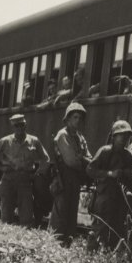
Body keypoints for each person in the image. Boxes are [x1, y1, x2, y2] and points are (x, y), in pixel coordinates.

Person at [0, 113, 51, 226]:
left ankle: (24, 240)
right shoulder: (6, 141)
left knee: (26, 218)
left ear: (25, 125)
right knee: (6, 218)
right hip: (8, 180)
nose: (19, 128)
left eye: (21, 125)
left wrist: (38, 173)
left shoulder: (34, 141)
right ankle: (5, 240)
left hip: (25, 181)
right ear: (13, 127)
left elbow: (46, 159)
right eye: (16, 126)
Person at [87, 120, 132, 252]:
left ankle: (108, 255)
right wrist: (109, 173)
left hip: (119, 197)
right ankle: (92, 255)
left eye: (126, 136)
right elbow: (90, 170)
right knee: (100, 228)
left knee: (116, 228)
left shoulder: (128, 156)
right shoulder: (105, 152)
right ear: (114, 136)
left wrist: (128, 174)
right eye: (121, 135)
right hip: (104, 195)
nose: (124, 139)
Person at [50, 101, 92, 244]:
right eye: (75, 117)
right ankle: (55, 242)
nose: (78, 120)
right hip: (64, 177)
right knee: (61, 209)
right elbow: (71, 161)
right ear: (67, 119)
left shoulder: (79, 137)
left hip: (75, 178)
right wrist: (83, 160)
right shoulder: (63, 135)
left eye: (80, 118)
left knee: (72, 210)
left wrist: (82, 158)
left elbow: (89, 158)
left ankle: (67, 241)